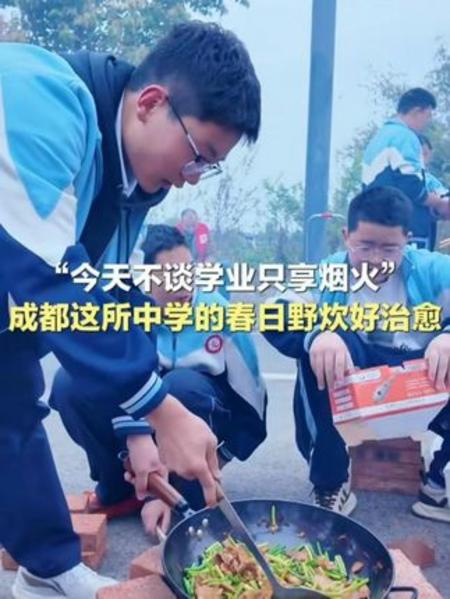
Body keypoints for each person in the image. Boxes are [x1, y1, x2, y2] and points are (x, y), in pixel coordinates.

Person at [0, 21, 260, 598]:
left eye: (208, 167)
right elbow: (52, 277)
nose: (192, 180)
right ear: (150, 103)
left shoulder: (128, 188)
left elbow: (114, 302)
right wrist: (162, 410)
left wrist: (140, 429)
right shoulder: (35, 96)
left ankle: (47, 568)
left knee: (11, 407)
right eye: (198, 155)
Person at [50, 225, 267, 535]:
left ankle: (186, 493)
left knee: (180, 386)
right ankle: (123, 488)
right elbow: (115, 382)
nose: (183, 285)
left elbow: (253, 405)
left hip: (195, 417)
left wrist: (221, 456)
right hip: (141, 433)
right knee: (70, 384)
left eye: (189, 272)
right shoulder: (126, 310)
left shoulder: (221, 315)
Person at [263, 187, 450, 521]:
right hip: (356, 380)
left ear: (407, 240)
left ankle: (439, 484)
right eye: (365, 246)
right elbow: (273, 312)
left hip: (421, 376)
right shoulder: (328, 274)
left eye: (389, 248)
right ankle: (330, 482)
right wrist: (318, 333)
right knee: (322, 349)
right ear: (346, 236)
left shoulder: (434, 270)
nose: (376, 259)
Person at [362, 88, 449, 250]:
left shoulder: (381, 137)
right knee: (410, 267)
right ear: (417, 111)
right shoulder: (404, 137)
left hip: (377, 224)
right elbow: (411, 186)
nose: (428, 122)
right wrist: (439, 204)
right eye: (428, 115)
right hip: (403, 230)